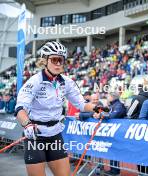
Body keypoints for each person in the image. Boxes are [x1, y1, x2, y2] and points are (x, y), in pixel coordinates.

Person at [15, 41, 96, 176]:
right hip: (35, 135)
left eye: (61, 60)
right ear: (45, 61)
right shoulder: (34, 81)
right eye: (54, 60)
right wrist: (27, 124)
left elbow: (82, 105)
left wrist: (99, 109)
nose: (58, 64)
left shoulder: (67, 82)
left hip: (54, 135)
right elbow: (20, 108)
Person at [93, 92, 126, 176]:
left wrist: (101, 115)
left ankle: (115, 171)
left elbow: (112, 116)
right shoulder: (112, 105)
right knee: (112, 150)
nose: (107, 98)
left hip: (117, 132)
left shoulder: (118, 105)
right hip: (112, 132)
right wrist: (100, 114)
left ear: (112, 97)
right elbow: (107, 113)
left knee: (114, 151)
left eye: (108, 96)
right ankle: (113, 169)